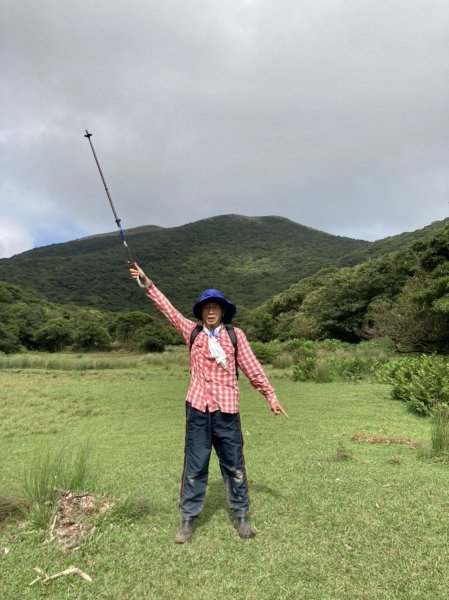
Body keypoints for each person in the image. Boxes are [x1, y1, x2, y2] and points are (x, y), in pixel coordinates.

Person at [129, 263, 287, 544]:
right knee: (195, 465)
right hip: (198, 410)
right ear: (201, 312)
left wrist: (270, 395)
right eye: (206, 307)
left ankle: (241, 516)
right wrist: (148, 284)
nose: (211, 311)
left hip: (227, 411)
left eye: (215, 307)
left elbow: (252, 368)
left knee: (233, 463)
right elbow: (168, 310)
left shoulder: (236, 337)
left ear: (223, 311)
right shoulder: (192, 333)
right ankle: (188, 519)